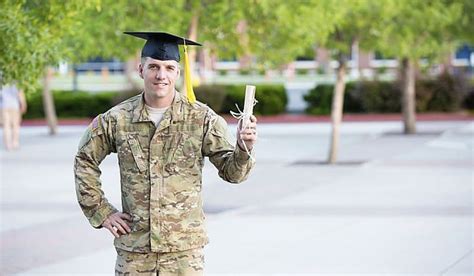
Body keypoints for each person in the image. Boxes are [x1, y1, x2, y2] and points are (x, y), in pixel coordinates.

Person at [74, 32, 257, 275]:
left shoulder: (202, 119)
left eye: (169, 68)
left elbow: (232, 174)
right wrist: (101, 211)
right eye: (154, 67)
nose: (161, 75)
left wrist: (244, 148)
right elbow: (85, 159)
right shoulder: (117, 119)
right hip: (135, 251)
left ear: (178, 73)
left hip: (183, 254)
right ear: (141, 70)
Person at [0, 83, 27, 151]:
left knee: (6, 126)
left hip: (4, 105)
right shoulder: (17, 82)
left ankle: (8, 144)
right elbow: (20, 94)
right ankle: (15, 142)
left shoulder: (2, 82)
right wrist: (23, 104)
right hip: (15, 106)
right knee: (15, 125)